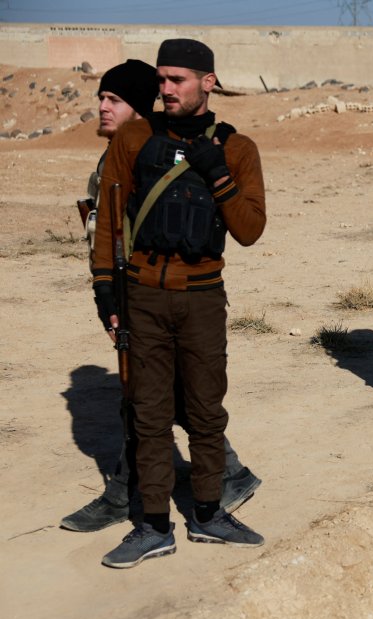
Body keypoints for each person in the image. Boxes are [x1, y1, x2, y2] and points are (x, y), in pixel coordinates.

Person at [61, 59, 262, 535]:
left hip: (184, 295)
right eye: (101, 98)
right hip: (138, 293)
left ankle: (183, 490)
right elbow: (106, 229)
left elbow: (247, 227)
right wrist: (106, 289)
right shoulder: (123, 154)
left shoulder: (194, 148)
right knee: (151, 400)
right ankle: (155, 494)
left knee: (172, 401)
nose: (103, 108)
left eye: (114, 100)